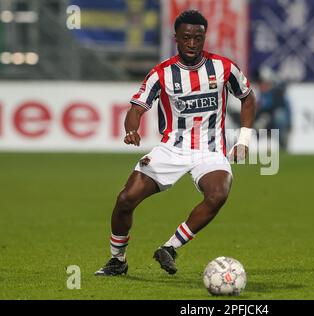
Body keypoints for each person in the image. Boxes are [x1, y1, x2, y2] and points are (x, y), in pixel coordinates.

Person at [95, 10, 256, 276]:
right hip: (171, 149)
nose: (192, 44)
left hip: (210, 150)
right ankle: (117, 260)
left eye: (198, 38)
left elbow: (248, 98)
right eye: (186, 38)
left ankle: (169, 248)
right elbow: (136, 108)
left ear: (204, 37)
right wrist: (131, 130)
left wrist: (245, 139)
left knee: (218, 194)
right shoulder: (161, 74)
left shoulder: (224, 68)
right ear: (176, 39)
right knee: (125, 199)